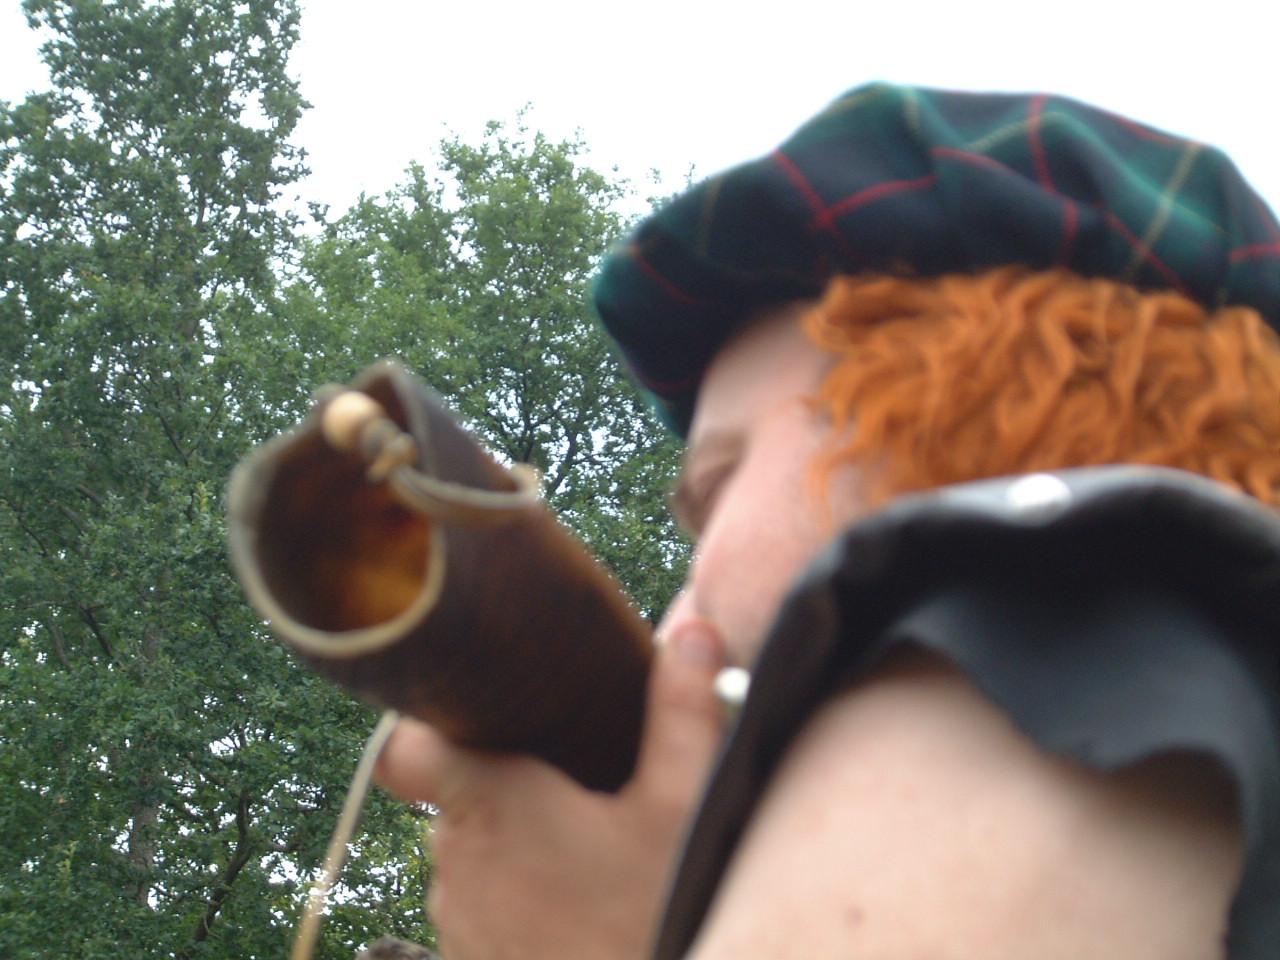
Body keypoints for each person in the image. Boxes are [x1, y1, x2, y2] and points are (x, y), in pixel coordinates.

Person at [374, 83, 1280, 960]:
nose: (682, 615)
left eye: (718, 486)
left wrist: (580, 941)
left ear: (963, 421)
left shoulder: (1056, 643)